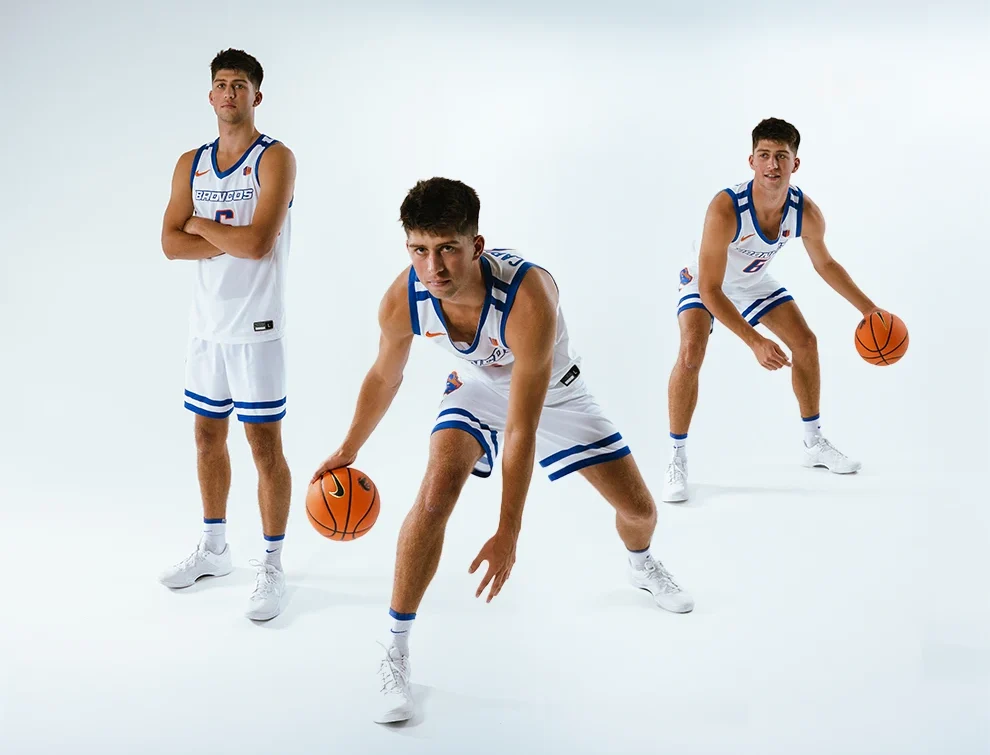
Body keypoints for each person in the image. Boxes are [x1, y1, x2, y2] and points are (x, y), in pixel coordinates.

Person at [312, 177, 694, 723]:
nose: (434, 267)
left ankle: (641, 563)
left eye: (447, 249)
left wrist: (509, 530)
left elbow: (522, 427)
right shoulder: (404, 298)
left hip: (555, 393)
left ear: (477, 244)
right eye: (420, 250)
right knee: (435, 493)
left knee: (639, 511)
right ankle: (394, 653)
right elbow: (384, 375)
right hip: (475, 386)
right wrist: (346, 449)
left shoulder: (528, 296)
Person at [663, 117, 883, 503]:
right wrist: (754, 340)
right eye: (764, 155)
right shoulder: (725, 208)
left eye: (782, 156)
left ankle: (813, 443)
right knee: (691, 353)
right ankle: (676, 457)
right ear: (751, 161)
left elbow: (825, 264)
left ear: (795, 164)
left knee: (806, 343)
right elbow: (712, 289)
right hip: (704, 279)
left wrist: (869, 310)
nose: (773, 165)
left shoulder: (806, 212)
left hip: (751, 280)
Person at [158, 49, 297, 622]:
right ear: (210, 96)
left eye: (241, 84)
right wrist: (222, 237)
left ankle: (271, 564)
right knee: (206, 438)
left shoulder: (276, 159)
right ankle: (215, 548)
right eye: (221, 84)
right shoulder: (190, 163)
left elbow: (260, 242)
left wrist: (200, 225)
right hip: (207, 329)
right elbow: (169, 243)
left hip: (257, 328)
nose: (230, 93)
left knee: (265, 449)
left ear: (256, 96)